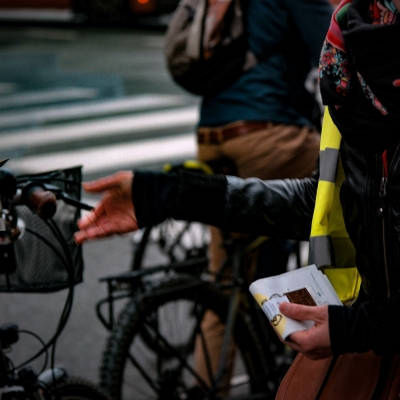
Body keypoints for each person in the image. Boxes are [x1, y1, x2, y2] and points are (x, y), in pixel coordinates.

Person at [74, 0, 400, 389]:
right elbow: (324, 202)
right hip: (267, 132)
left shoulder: (347, 61)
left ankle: (210, 377)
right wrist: (163, 194)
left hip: (214, 132)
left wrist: (355, 328)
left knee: (223, 275)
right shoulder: (347, 66)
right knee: (232, 278)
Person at [190, 0, 332, 386]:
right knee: (337, 186)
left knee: (225, 284)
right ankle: (306, 367)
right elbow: (334, 50)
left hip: (212, 135)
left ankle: (207, 387)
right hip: (267, 135)